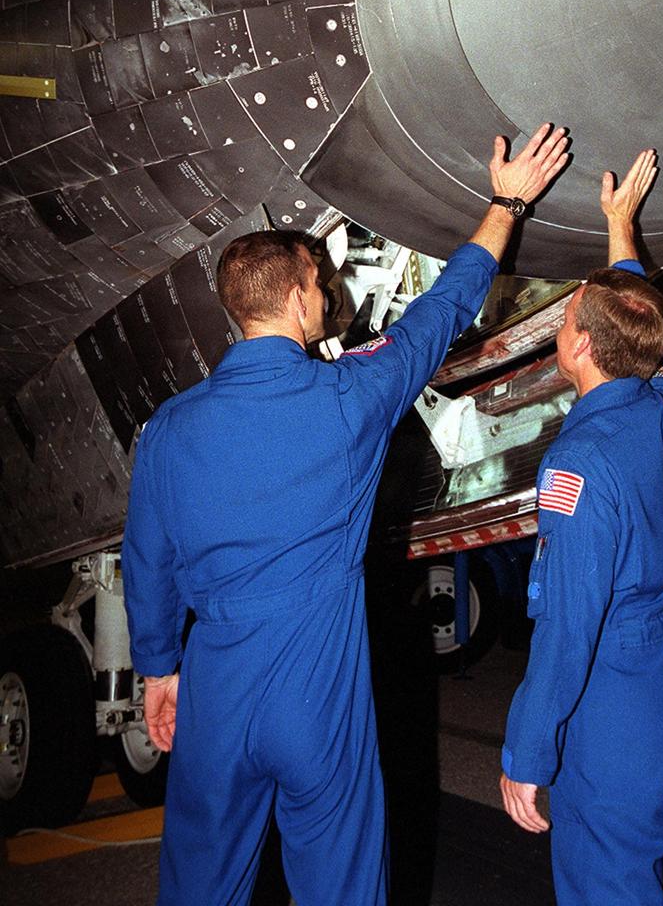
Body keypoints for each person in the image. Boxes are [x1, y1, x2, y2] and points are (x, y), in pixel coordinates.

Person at [121, 123, 569, 906]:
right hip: (317, 693)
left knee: (199, 886)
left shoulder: (167, 430)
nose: (329, 292)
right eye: (319, 282)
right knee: (341, 884)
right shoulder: (349, 397)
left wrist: (160, 670)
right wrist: (507, 203)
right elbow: (444, 308)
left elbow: (147, 564)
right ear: (297, 298)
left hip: (218, 689)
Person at [500, 150, 663, 905]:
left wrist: (528, 751)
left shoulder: (579, 464)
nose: (559, 328)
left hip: (619, 712)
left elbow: (569, 626)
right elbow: (640, 327)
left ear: (581, 347)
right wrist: (620, 226)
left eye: (564, 320)